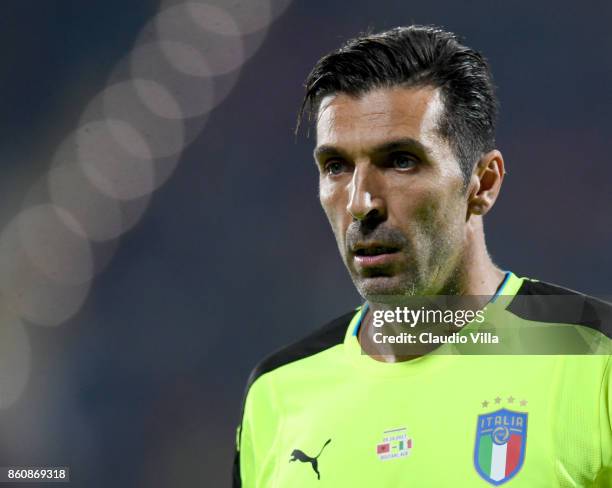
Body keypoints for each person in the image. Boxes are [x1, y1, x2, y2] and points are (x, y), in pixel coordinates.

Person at [232, 25, 611, 487]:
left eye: (401, 161)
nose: (360, 202)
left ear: (483, 184)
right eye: (336, 166)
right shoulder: (277, 391)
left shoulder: (595, 354)